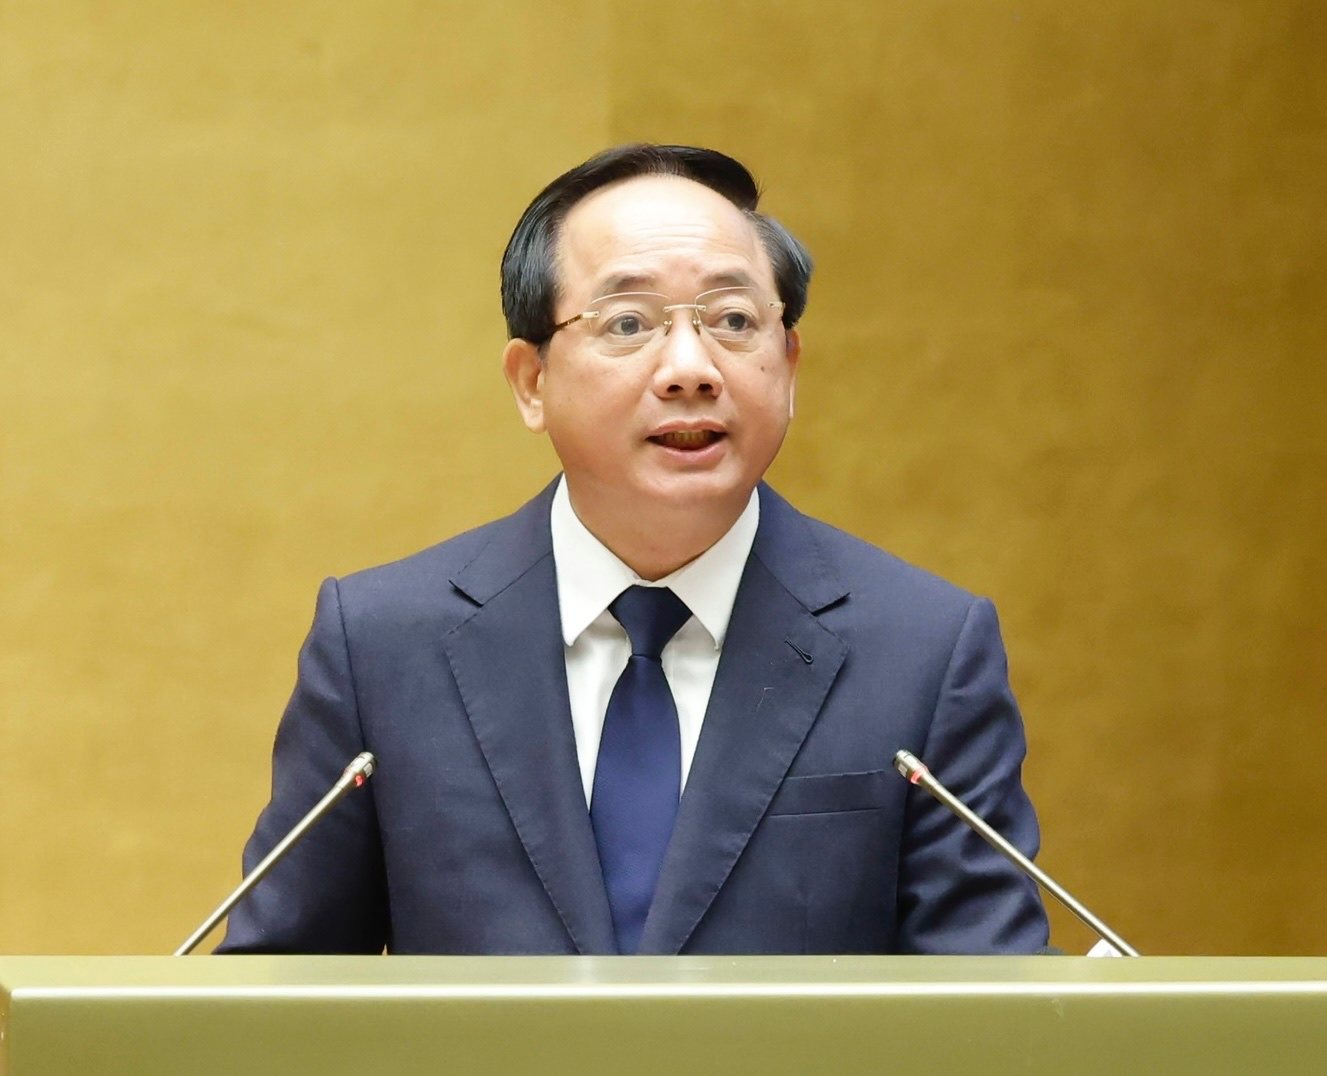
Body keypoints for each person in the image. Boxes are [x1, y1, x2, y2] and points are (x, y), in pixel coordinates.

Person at [217, 144, 1049, 955]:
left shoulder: (924, 651)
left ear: (790, 366)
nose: (690, 368)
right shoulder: (382, 645)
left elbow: (991, 1004)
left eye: (733, 321)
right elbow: (277, 998)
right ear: (532, 382)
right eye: (629, 323)